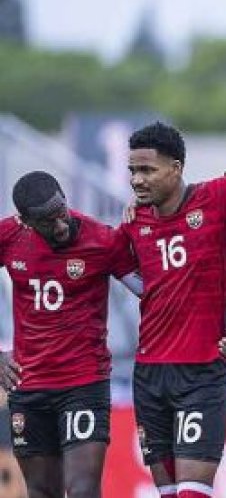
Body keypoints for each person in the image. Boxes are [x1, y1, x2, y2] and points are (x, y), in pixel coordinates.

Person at [115, 122, 226, 498]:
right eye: (133, 170)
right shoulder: (135, 224)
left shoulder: (218, 196)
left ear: (176, 168)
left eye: (147, 170)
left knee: (192, 493)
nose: (137, 179)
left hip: (200, 373)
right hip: (149, 375)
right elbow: (144, 285)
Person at [0, 171, 140, 498]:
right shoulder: (9, 235)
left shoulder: (102, 240)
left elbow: (152, 291)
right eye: (48, 222)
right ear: (25, 221)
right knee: (41, 491)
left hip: (83, 383)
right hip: (29, 384)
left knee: (82, 490)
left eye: (62, 212)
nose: (61, 225)